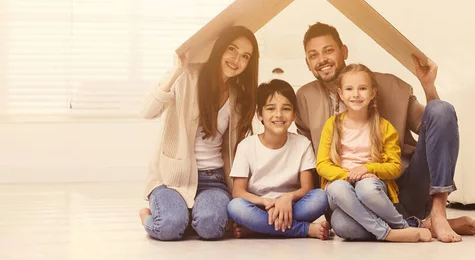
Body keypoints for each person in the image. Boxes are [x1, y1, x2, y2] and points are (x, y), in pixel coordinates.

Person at [296, 22, 475, 243]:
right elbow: (307, 160)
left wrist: (428, 87)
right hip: (346, 197)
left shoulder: (387, 85)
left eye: (328, 50)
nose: (322, 59)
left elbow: (436, 126)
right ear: (308, 63)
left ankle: (438, 213)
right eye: (313, 55)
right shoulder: (305, 97)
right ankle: (419, 225)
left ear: (344, 51)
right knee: (344, 226)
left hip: (400, 187)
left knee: (441, 110)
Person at [138, 26, 259, 241]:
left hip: (214, 180)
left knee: (211, 227)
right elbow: (147, 112)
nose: (236, 59)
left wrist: (237, 190)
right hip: (172, 179)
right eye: (232, 49)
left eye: (245, 56)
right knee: (169, 227)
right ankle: (150, 216)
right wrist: (176, 70)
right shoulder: (187, 77)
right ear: (220, 49)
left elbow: (233, 152)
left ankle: (191, 215)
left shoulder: (237, 98)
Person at [317, 63, 432, 242]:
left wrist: (366, 169)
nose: (355, 94)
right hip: (341, 191)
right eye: (349, 89)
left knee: (347, 217)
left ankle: (389, 229)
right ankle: (400, 229)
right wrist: (348, 175)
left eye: (362, 88)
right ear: (340, 94)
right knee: (337, 192)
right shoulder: (332, 125)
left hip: (372, 189)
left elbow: (394, 167)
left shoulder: (384, 127)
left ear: (372, 93)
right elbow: (322, 165)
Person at [227, 79, 330, 239]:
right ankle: (304, 229)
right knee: (235, 207)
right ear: (259, 114)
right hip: (259, 206)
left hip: (292, 206)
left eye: (286, 109)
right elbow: (238, 192)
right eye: (270, 108)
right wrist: (266, 202)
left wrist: (286, 198)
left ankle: (257, 229)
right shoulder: (246, 146)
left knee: (321, 197)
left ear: (294, 114)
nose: (279, 115)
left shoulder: (302, 144)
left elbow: (307, 188)